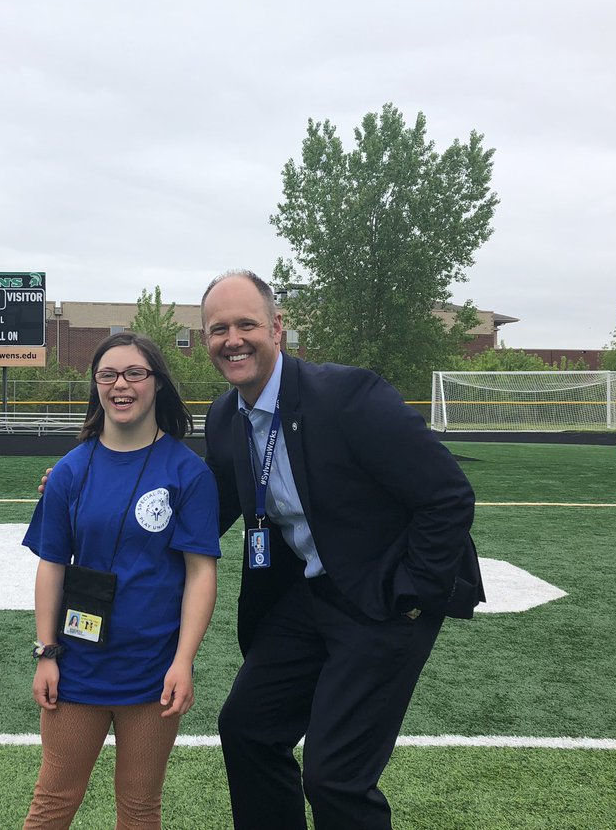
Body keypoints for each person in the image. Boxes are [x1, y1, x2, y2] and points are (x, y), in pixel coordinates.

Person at [201, 270, 482, 829]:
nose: (232, 339)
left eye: (246, 324)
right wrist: (96, 492)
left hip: (382, 597)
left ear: (277, 328)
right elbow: (209, 509)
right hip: (308, 595)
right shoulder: (224, 416)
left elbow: (448, 496)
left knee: (335, 778)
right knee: (247, 728)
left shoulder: (349, 396)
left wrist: (413, 594)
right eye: (218, 329)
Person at [22, 331, 220, 830]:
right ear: (96, 386)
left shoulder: (187, 472)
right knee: (53, 801)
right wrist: (46, 652)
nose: (121, 385)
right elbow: (51, 565)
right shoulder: (70, 470)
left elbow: (201, 573)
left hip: (153, 674)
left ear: (156, 383)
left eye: (135, 373)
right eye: (108, 375)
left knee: (139, 808)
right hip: (77, 669)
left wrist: (183, 662)